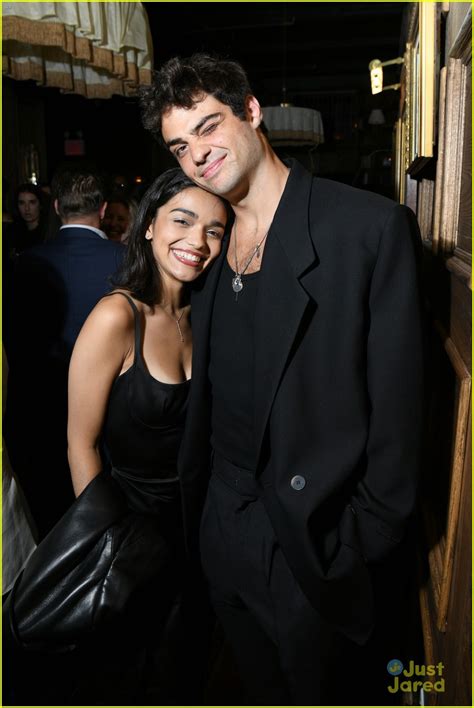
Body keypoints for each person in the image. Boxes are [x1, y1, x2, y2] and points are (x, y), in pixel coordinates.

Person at [140, 53, 424, 705]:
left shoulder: (367, 229)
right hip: (220, 527)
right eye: (180, 145)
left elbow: (400, 423)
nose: (197, 154)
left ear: (251, 111)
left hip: (314, 546)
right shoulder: (204, 244)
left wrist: (350, 548)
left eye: (209, 126)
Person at [66, 168, 228, 703]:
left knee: (189, 668)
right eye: (182, 221)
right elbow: (80, 443)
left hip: (200, 527)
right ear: (148, 226)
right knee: (136, 674)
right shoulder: (116, 316)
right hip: (132, 533)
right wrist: (103, 549)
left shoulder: (205, 313)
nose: (197, 242)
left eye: (215, 230)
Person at [5, 168, 126, 540]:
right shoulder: (127, 260)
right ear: (103, 210)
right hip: (109, 419)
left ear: (56, 207)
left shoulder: (21, 263)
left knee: (49, 527)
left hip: (36, 414)